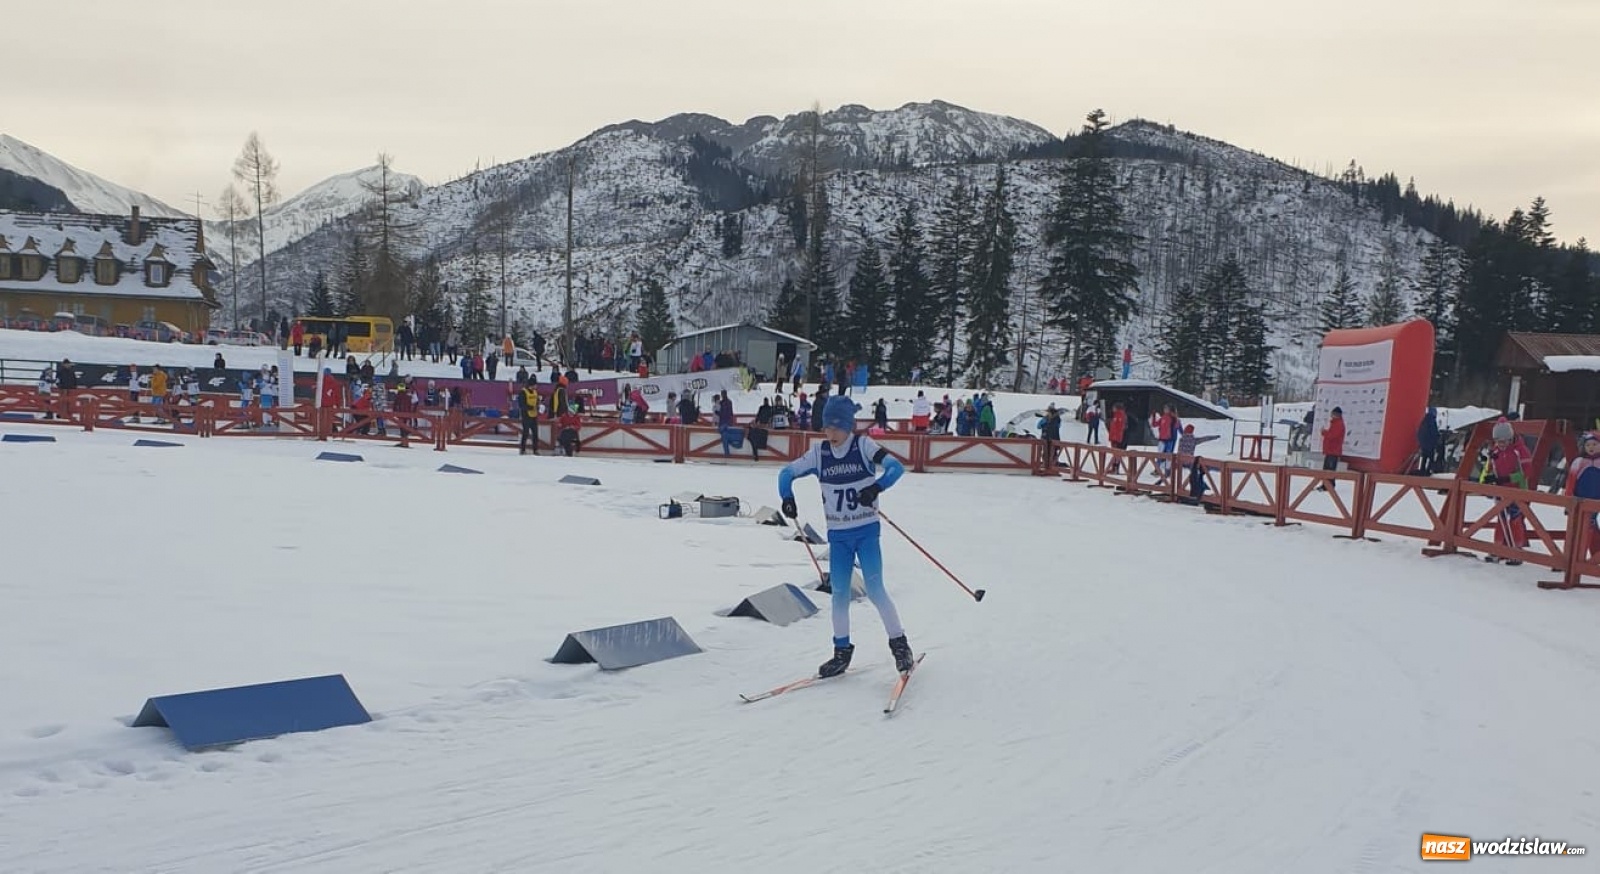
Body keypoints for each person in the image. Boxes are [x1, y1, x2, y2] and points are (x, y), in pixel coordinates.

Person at [778, 395, 913, 677]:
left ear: (849, 426)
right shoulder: (819, 453)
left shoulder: (863, 445)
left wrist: (876, 488)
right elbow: (786, 473)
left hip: (865, 533)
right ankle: (841, 653)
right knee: (839, 594)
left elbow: (896, 468)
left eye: (836, 427)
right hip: (838, 537)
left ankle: (900, 646)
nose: (830, 433)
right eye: (827, 427)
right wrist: (787, 497)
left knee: (875, 590)